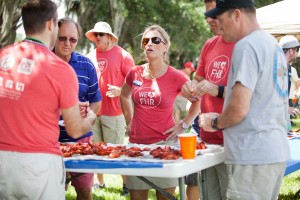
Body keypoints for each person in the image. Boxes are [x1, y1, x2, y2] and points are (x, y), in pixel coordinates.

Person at [0, 1, 97, 199]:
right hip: (39, 163)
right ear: (51, 24)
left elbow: (23, 99)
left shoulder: (3, 56)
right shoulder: (59, 69)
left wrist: (61, 104)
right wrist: (92, 117)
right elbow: (76, 129)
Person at [200, 0, 290, 199]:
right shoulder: (271, 44)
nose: (219, 25)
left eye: (221, 19)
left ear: (237, 14)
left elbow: (239, 108)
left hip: (252, 154)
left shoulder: (246, 45)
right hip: (273, 151)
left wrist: (215, 122)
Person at [120, 24, 200, 200]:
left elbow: (197, 102)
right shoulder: (135, 73)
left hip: (166, 145)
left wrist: (184, 124)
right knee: (136, 197)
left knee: (164, 197)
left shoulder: (176, 76)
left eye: (156, 40)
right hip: (137, 147)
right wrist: (128, 120)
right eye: (145, 40)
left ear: (165, 47)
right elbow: (124, 95)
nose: (149, 44)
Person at [182, 0, 235, 199]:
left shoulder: (244, 45)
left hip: (233, 141)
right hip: (208, 139)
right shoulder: (209, 45)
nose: (209, 20)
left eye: (214, 14)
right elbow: (198, 79)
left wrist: (217, 90)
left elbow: (254, 95)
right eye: (207, 14)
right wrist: (190, 88)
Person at [54, 17, 102, 200]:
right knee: (53, 192)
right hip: (49, 142)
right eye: (62, 38)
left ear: (78, 40)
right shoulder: (44, 63)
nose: (67, 44)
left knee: (83, 192)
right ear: (53, 36)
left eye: (72, 40)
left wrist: (87, 116)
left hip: (80, 141)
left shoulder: (86, 65)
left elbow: (96, 101)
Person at [85, 21, 134, 195]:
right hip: (93, 111)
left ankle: (127, 185)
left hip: (115, 112)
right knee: (96, 149)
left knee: (117, 150)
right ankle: (100, 182)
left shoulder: (123, 55)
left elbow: (135, 82)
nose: (98, 37)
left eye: (101, 34)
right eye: (95, 34)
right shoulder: (90, 56)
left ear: (110, 37)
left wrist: (121, 91)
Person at [279, 35, 300, 125]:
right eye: (297, 50)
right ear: (291, 51)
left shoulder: (287, 67)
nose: (297, 54)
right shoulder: (278, 67)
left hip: (282, 113)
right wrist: (286, 107)